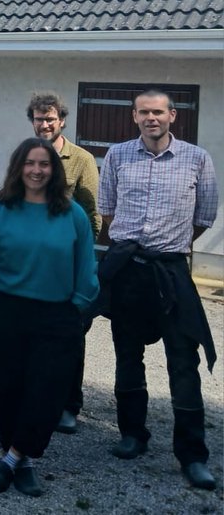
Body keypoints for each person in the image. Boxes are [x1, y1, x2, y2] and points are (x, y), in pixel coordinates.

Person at [99, 90, 218, 491]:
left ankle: (192, 454)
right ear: (134, 116)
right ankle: (132, 433)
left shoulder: (198, 159)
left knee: (184, 362)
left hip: (171, 273)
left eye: (159, 112)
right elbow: (108, 209)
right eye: (144, 112)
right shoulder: (116, 156)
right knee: (127, 355)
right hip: (129, 271)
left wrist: (169, 245)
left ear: (172, 117)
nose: (152, 118)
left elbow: (203, 217)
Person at [0, 137, 99, 497]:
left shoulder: (71, 214)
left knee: (46, 391)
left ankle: (10, 459)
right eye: (30, 163)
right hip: (6, 311)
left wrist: (77, 304)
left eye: (44, 164)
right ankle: (20, 460)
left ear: (54, 169)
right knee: (6, 391)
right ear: (18, 168)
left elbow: (87, 266)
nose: (37, 170)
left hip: (57, 315)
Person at [27, 91, 101, 433]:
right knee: (32, 335)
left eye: (50, 118)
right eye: (39, 118)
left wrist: (78, 259)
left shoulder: (82, 159)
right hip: (30, 264)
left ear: (62, 121)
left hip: (67, 264)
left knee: (69, 335)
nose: (44, 124)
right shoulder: (27, 156)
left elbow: (91, 215)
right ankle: (34, 398)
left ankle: (69, 404)